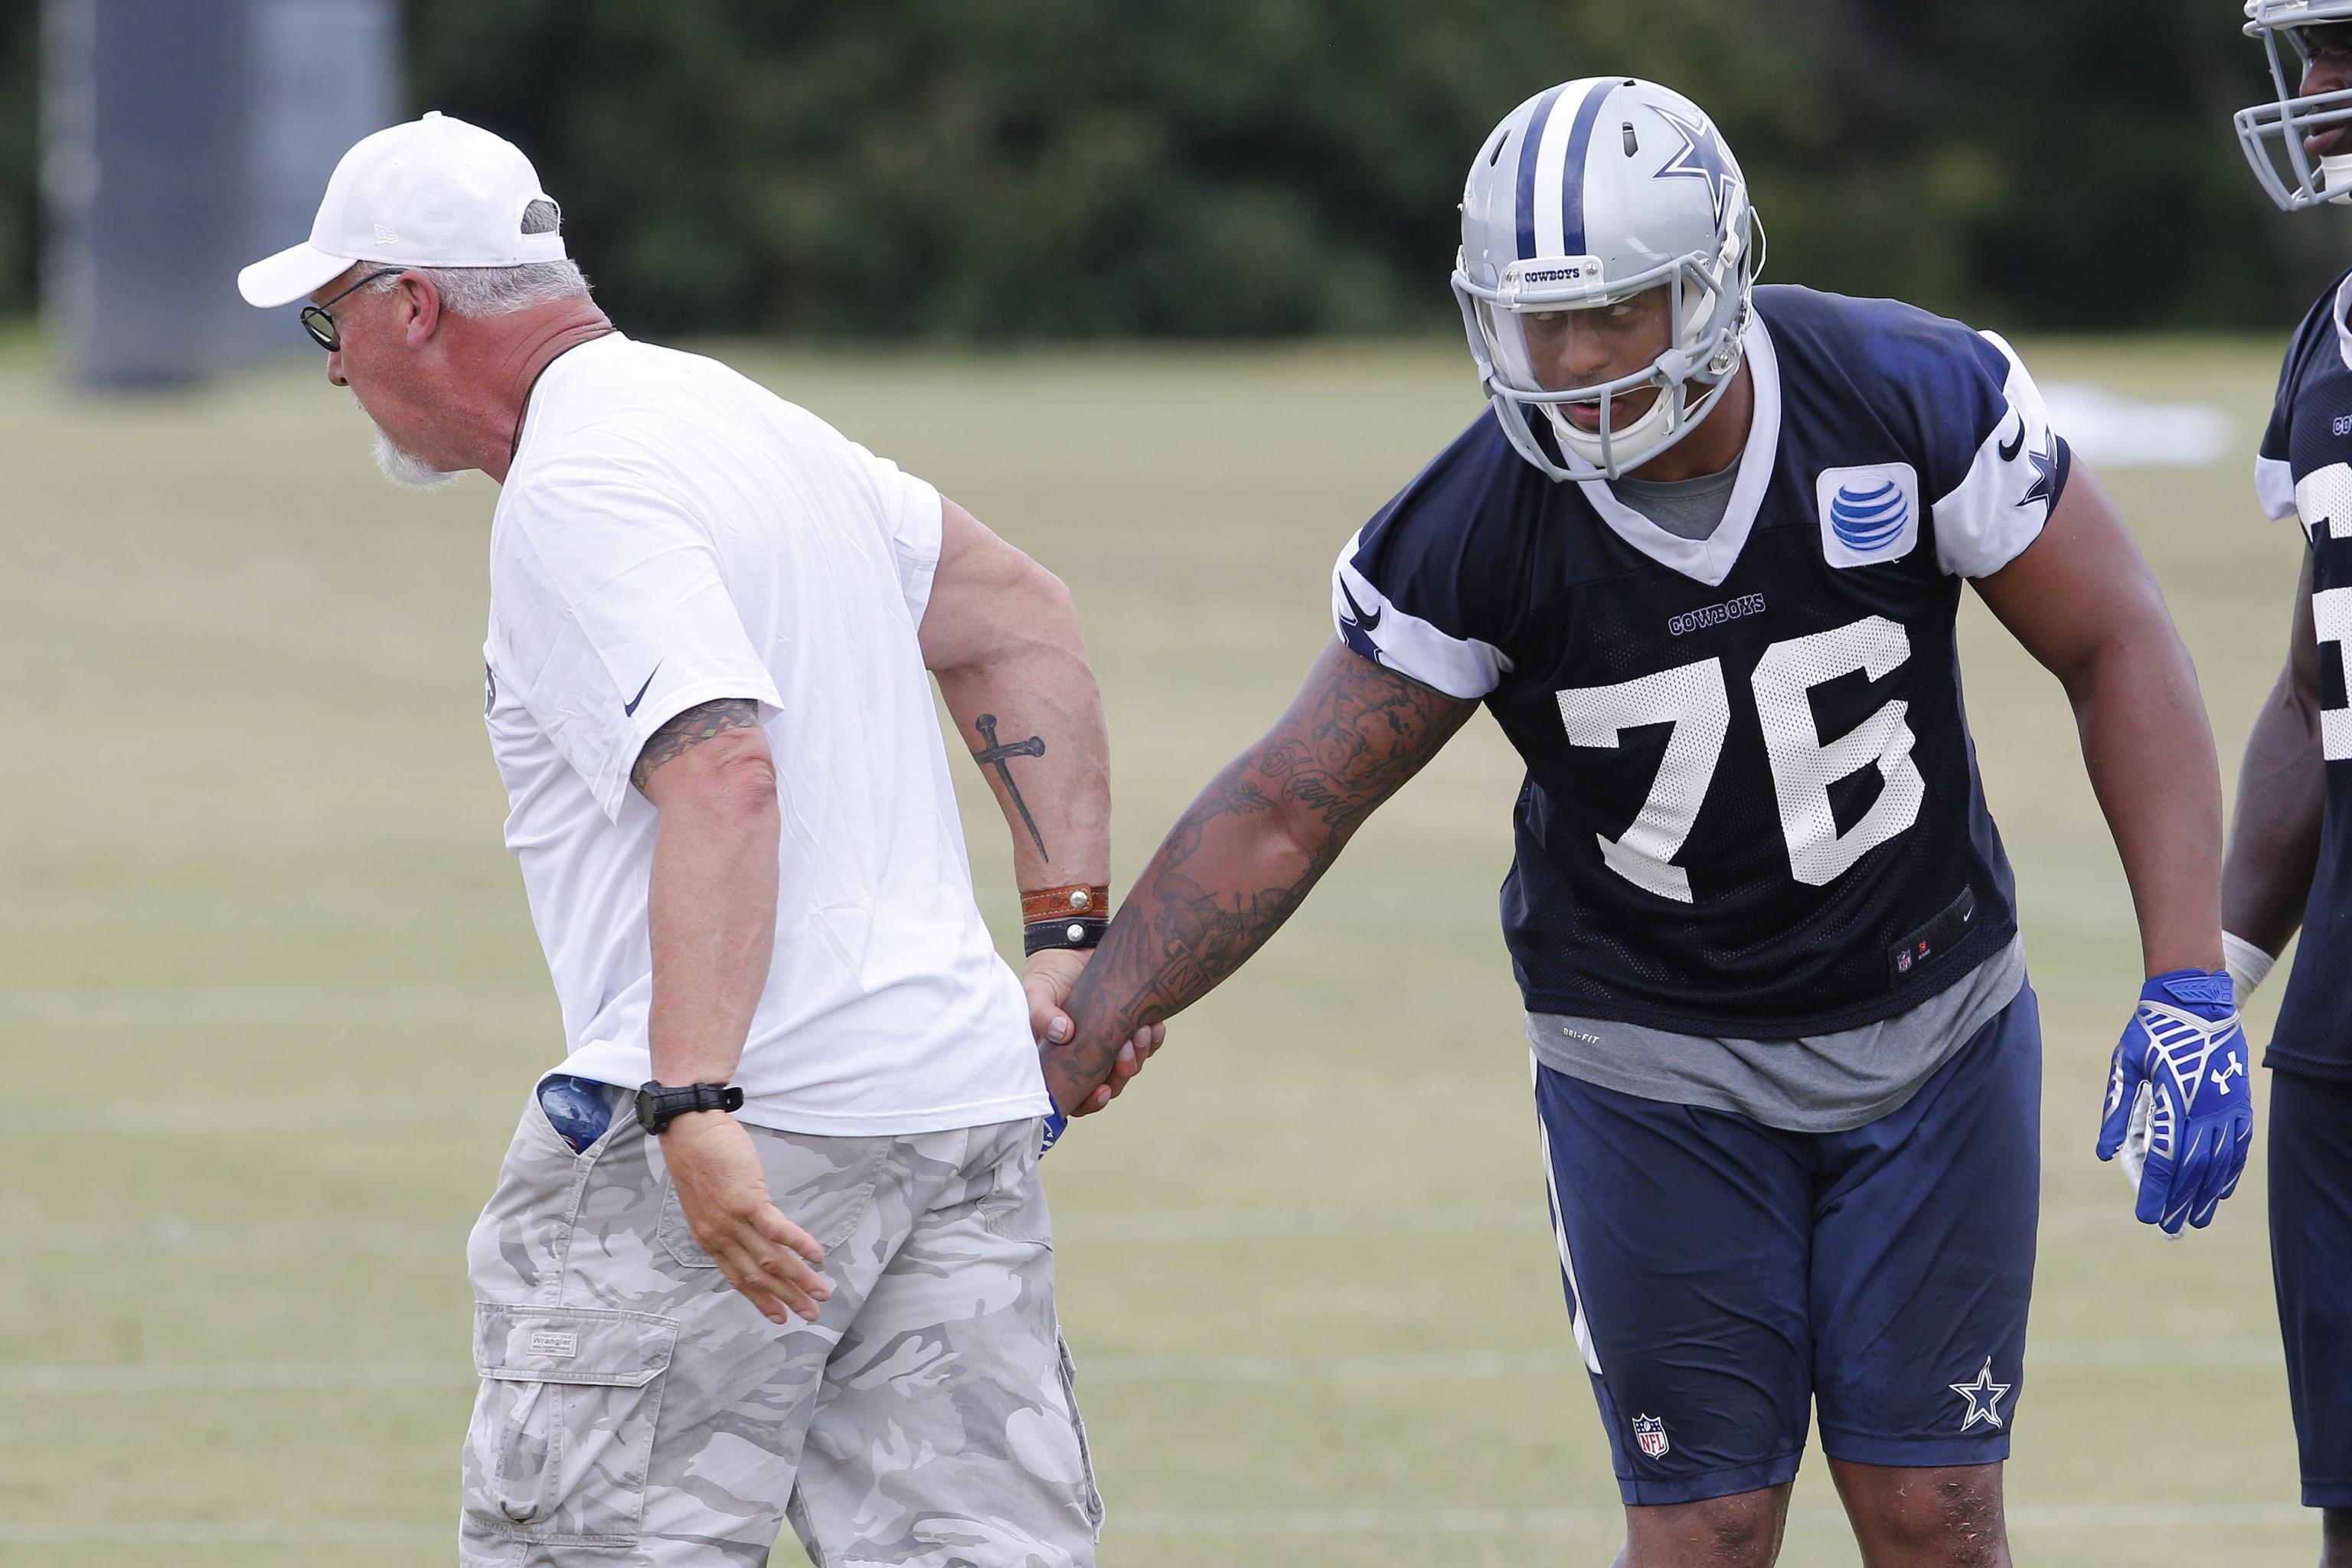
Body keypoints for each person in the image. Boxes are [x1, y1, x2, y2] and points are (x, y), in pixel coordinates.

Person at [1046, 77, 2249, 1567]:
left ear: (1711, 281)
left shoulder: (1901, 394)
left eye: (1610, 313)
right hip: (1653, 1053)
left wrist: (2189, 976)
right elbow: (1292, 801)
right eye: (1531, 319)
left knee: (1936, 1518)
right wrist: (1094, 1015)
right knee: (1706, 1530)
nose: (1566, 361)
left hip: (1931, 1014)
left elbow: (2116, 640)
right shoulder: (1473, 521)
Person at [236, 112, 1155, 1567]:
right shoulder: (743, 416)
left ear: (413, 303)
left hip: (745, 1135)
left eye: (329, 317)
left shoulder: (578, 486)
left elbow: (724, 771)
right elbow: (1019, 614)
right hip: (951, 1107)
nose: (336, 364)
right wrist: (1066, 942)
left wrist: (697, 1101)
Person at [2227, 8, 2352, 1563]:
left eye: (2343, 48)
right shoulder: (2330, 334)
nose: (2315, 91)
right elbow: (2318, 678)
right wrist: (2215, 974)